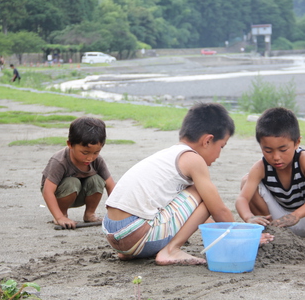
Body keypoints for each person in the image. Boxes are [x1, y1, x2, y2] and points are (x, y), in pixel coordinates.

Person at [103, 103, 274, 266]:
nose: (219, 155)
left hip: (114, 234)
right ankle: (171, 250)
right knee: (202, 193)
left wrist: (219, 231)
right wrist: (243, 236)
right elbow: (219, 209)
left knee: (197, 196)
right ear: (208, 140)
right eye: (222, 146)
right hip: (136, 233)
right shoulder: (193, 159)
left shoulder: (169, 155)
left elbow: (193, 215)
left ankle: (130, 251)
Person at [235, 107, 305, 256]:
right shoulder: (260, 167)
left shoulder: (304, 159)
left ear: (296, 142)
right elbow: (242, 198)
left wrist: (296, 215)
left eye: (283, 149)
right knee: (246, 181)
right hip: (277, 222)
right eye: (268, 150)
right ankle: (270, 234)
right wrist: (249, 217)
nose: (276, 157)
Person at [41, 117, 116, 229]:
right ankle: (62, 214)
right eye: (85, 152)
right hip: (61, 195)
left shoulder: (97, 161)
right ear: (70, 144)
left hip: (82, 194)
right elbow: (47, 191)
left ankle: (89, 214)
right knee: (72, 182)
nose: (90, 158)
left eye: (96, 152)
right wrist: (59, 217)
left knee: (97, 180)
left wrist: (117, 213)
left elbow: (111, 186)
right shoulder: (60, 161)